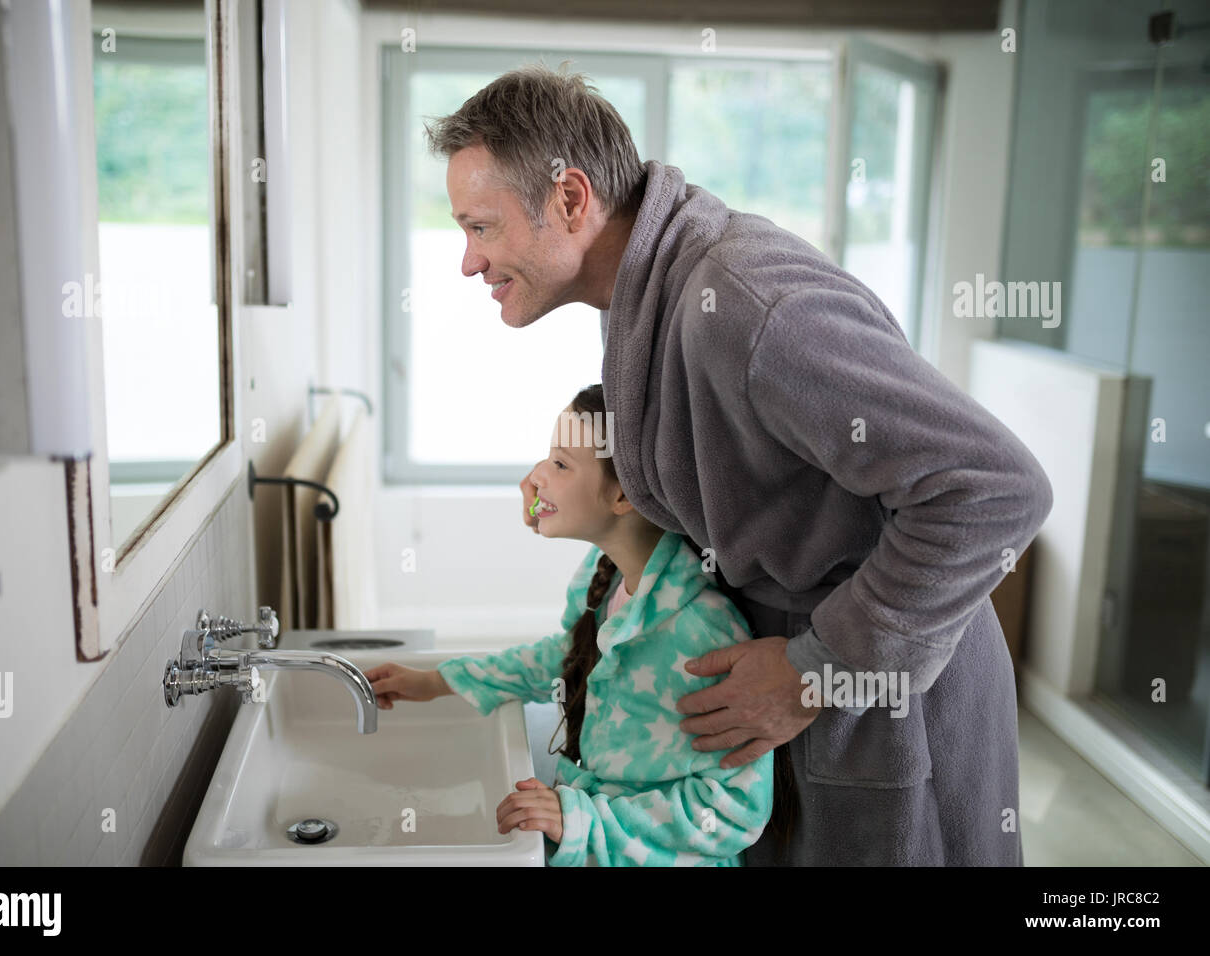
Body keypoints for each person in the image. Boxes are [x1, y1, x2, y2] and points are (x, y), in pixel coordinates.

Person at [424, 62, 1054, 865]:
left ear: (571, 199)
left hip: (881, 699)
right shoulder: (645, 299)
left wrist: (815, 671)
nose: (468, 262)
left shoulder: (746, 305)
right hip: (785, 684)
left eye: (481, 227)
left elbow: (994, 488)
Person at [364, 385, 777, 866]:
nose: (536, 475)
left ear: (623, 493)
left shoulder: (700, 632)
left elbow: (733, 812)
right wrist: (436, 681)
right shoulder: (606, 577)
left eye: (560, 464)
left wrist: (581, 819)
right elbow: (563, 661)